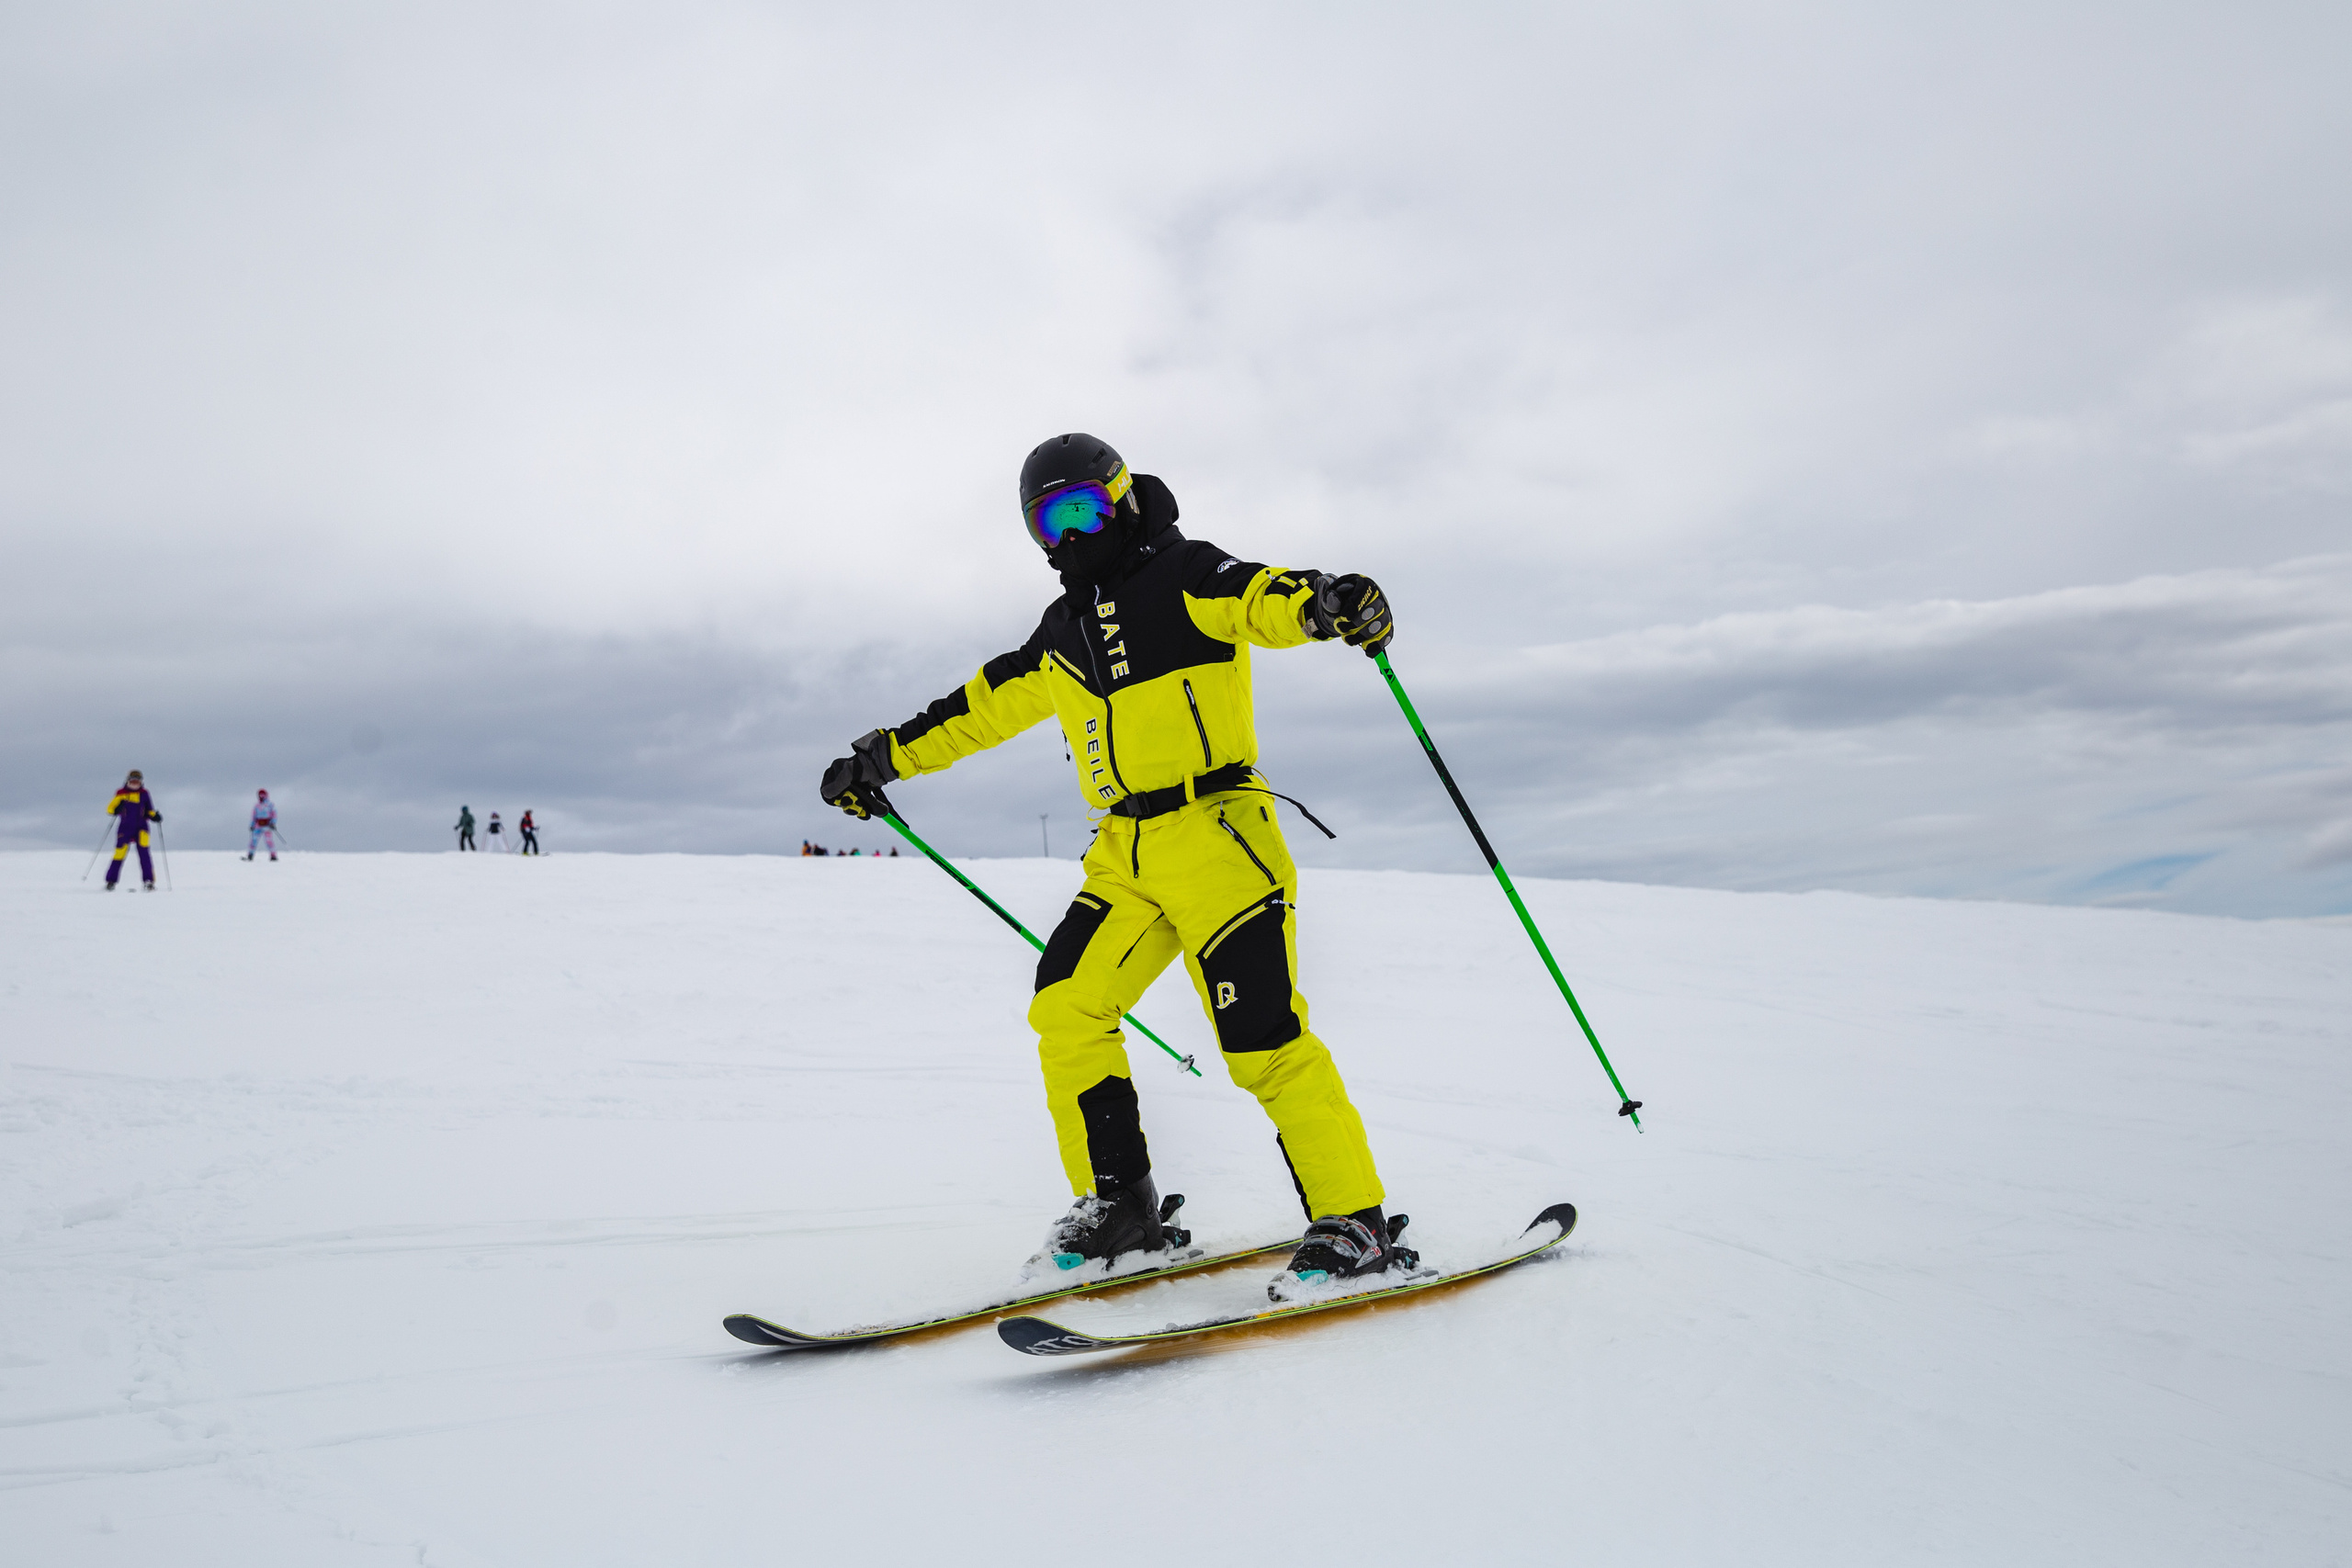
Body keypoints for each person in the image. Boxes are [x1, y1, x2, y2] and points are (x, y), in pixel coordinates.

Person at [820, 433, 1403, 1301]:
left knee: (1261, 1042)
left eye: (1087, 505)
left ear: (1123, 497)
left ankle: (1353, 1221)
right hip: (1125, 855)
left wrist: (1326, 601)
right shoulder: (1060, 634)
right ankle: (1120, 1210)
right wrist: (881, 759)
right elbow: (975, 709)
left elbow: (1262, 597)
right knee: (1067, 1006)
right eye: (1051, 519)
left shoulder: (1186, 574)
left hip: (1219, 835)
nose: (1074, 529)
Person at [104, 770, 163, 891]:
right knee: (119, 854)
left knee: (144, 855)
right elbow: (110, 809)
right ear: (128, 780)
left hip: (142, 828)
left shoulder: (145, 794)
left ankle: (148, 881)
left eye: (137, 781)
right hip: (125, 828)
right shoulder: (121, 793)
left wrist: (155, 816)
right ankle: (111, 881)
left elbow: (149, 810)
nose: (135, 783)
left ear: (141, 782)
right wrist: (117, 809)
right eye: (132, 780)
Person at [246, 788, 280, 861]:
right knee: (253, 840)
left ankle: (273, 855)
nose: (261, 796)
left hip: (267, 825)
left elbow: (274, 814)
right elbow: (254, 816)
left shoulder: (270, 805)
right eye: (259, 795)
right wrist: (252, 825)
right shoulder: (257, 806)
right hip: (258, 825)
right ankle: (250, 855)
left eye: (262, 795)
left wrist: (273, 823)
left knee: (269, 841)